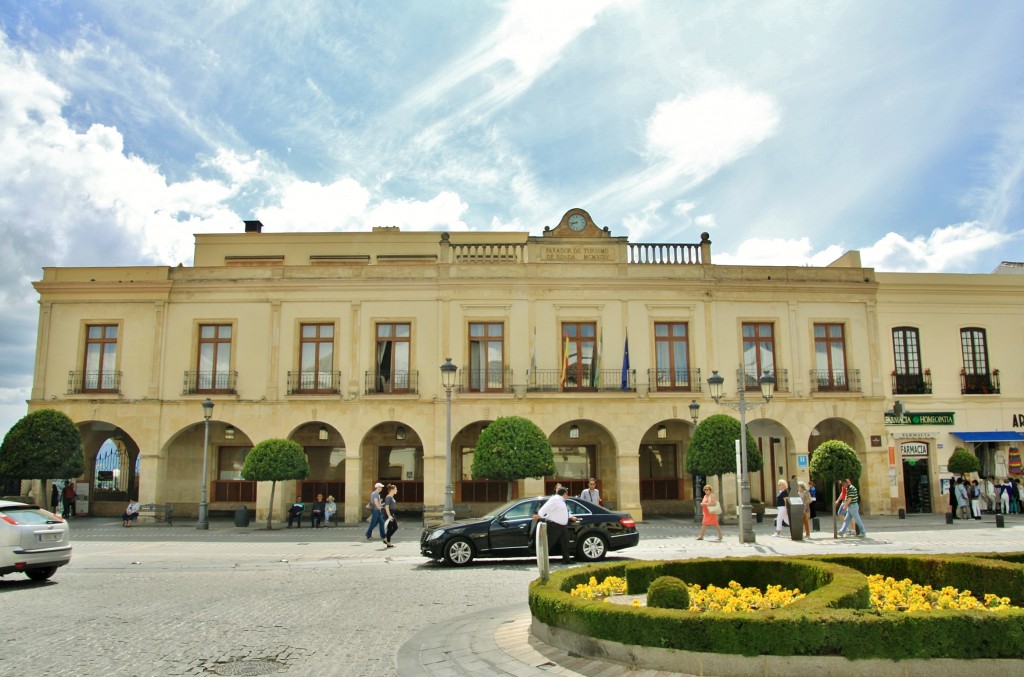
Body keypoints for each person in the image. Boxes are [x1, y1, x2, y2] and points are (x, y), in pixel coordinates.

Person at [533, 487, 577, 564]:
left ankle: (566, 560)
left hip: (562, 526)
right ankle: (542, 561)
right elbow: (546, 507)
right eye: (567, 493)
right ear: (564, 493)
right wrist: (539, 515)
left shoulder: (562, 501)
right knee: (549, 543)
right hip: (554, 525)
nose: (567, 495)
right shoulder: (555, 499)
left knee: (565, 543)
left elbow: (563, 511)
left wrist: (571, 517)